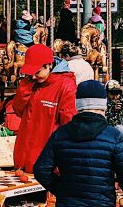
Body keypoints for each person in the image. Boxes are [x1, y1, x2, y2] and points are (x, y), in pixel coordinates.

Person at [11, 44, 78, 172]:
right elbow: (18, 110)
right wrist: (25, 86)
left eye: (37, 72)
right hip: (24, 158)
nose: (34, 77)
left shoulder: (65, 85)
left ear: (49, 66)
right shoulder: (31, 82)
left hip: (47, 162)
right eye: (30, 73)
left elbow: (68, 124)